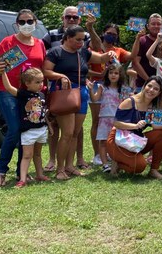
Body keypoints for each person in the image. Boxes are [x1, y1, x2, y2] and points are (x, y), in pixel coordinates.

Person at [42, 26, 116, 180]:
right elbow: (46, 71)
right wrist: (61, 76)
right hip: (65, 93)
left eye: (83, 39)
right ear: (68, 38)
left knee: (75, 133)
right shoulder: (56, 52)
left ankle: (70, 165)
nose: (81, 42)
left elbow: (101, 59)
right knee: (67, 134)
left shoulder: (82, 52)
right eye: (78, 39)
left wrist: (109, 54)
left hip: (81, 92)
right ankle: (60, 169)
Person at [0, 9, 47, 186]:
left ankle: (20, 173)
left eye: (29, 21)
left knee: (26, 130)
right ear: (16, 24)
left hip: (30, 96)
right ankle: (1, 171)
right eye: (22, 22)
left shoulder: (39, 44)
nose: (26, 25)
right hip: (8, 91)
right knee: (14, 129)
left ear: (35, 22)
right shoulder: (8, 42)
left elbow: (43, 69)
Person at [88, 23, 134, 167]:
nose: (111, 36)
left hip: (116, 97)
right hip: (98, 85)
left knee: (116, 135)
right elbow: (86, 68)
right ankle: (98, 155)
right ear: (103, 33)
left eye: (114, 34)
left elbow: (132, 56)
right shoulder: (94, 48)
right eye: (109, 33)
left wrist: (138, 37)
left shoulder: (118, 50)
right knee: (96, 123)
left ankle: (114, 156)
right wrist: (99, 77)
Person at [106, 75, 162, 179]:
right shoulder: (130, 101)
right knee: (139, 167)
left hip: (135, 141)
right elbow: (116, 123)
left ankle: (154, 170)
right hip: (118, 140)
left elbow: (156, 127)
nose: (151, 90)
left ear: (159, 93)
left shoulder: (154, 106)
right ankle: (117, 162)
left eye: (156, 89)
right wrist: (135, 126)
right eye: (149, 86)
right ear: (144, 86)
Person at [0, 68, 51, 188]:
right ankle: (22, 179)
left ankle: (40, 174)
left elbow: (43, 112)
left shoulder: (42, 94)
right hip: (29, 131)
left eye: (42, 81)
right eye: (37, 82)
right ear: (27, 83)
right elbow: (9, 88)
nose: (41, 85)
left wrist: (48, 126)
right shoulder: (23, 94)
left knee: (37, 154)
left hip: (41, 129)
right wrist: (3, 73)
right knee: (27, 155)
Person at [90, 64, 129, 172]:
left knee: (117, 141)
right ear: (107, 74)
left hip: (118, 119)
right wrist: (90, 90)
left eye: (116, 73)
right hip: (104, 118)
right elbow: (94, 99)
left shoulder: (123, 89)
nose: (113, 75)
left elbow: (126, 103)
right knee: (103, 141)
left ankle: (117, 162)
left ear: (120, 75)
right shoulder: (102, 87)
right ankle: (105, 165)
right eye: (111, 73)